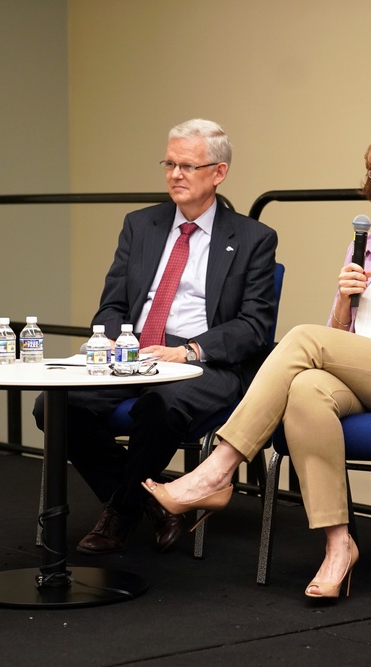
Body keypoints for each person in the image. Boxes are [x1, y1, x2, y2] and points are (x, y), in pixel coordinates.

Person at [143, 128, 371, 600]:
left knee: (302, 339)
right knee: (307, 388)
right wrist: (346, 298)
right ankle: (339, 546)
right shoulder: (364, 245)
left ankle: (217, 470)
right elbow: (338, 336)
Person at [34, 119, 278, 555]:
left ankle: (120, 512)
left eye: (187, 165)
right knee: (52, 404)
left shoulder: (252, 238)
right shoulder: (140, 225)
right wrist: (107, 339)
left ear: (218, 173)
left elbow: (254, 326)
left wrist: (188, 351)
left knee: (158, 407)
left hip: (204, 361)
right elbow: (112, 305)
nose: (175, 175)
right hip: (133, 353)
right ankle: (155, 503)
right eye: (169, 163)